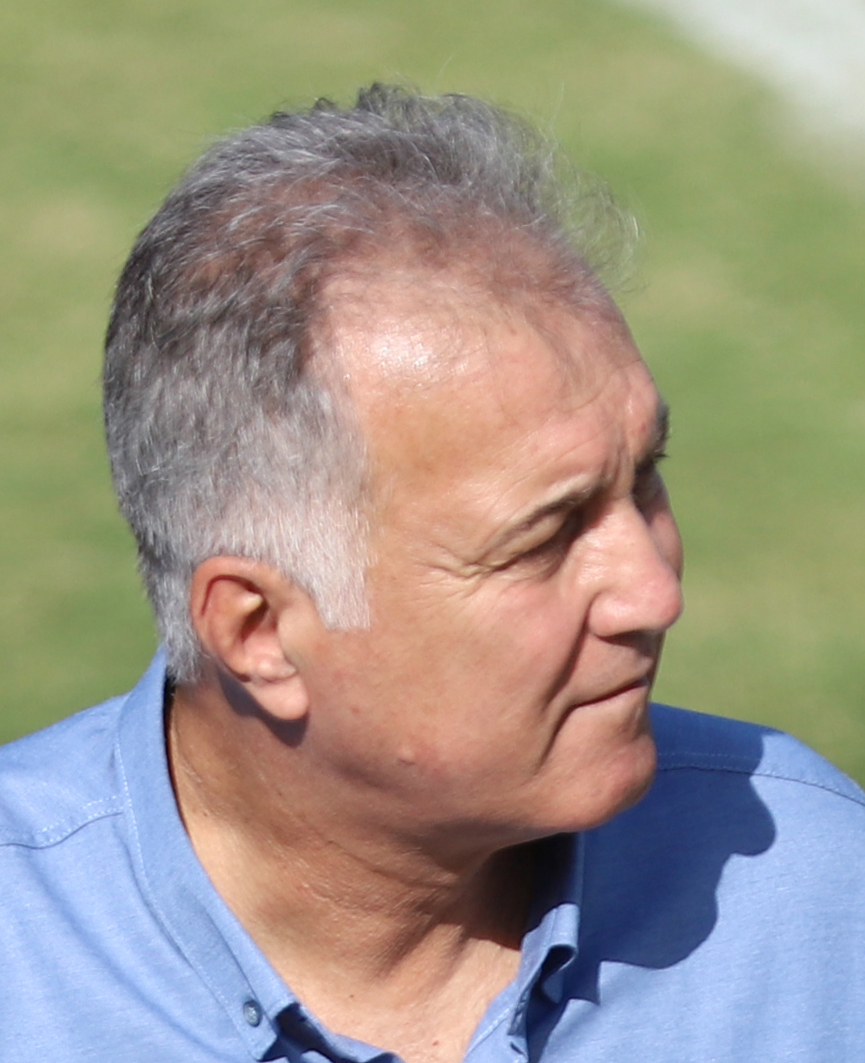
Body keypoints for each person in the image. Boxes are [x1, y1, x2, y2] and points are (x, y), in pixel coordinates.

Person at [2, 84, 864, 1063]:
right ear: (259, 633)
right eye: (543, 538)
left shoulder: (816, 894)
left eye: (644, 479)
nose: (653, 594)